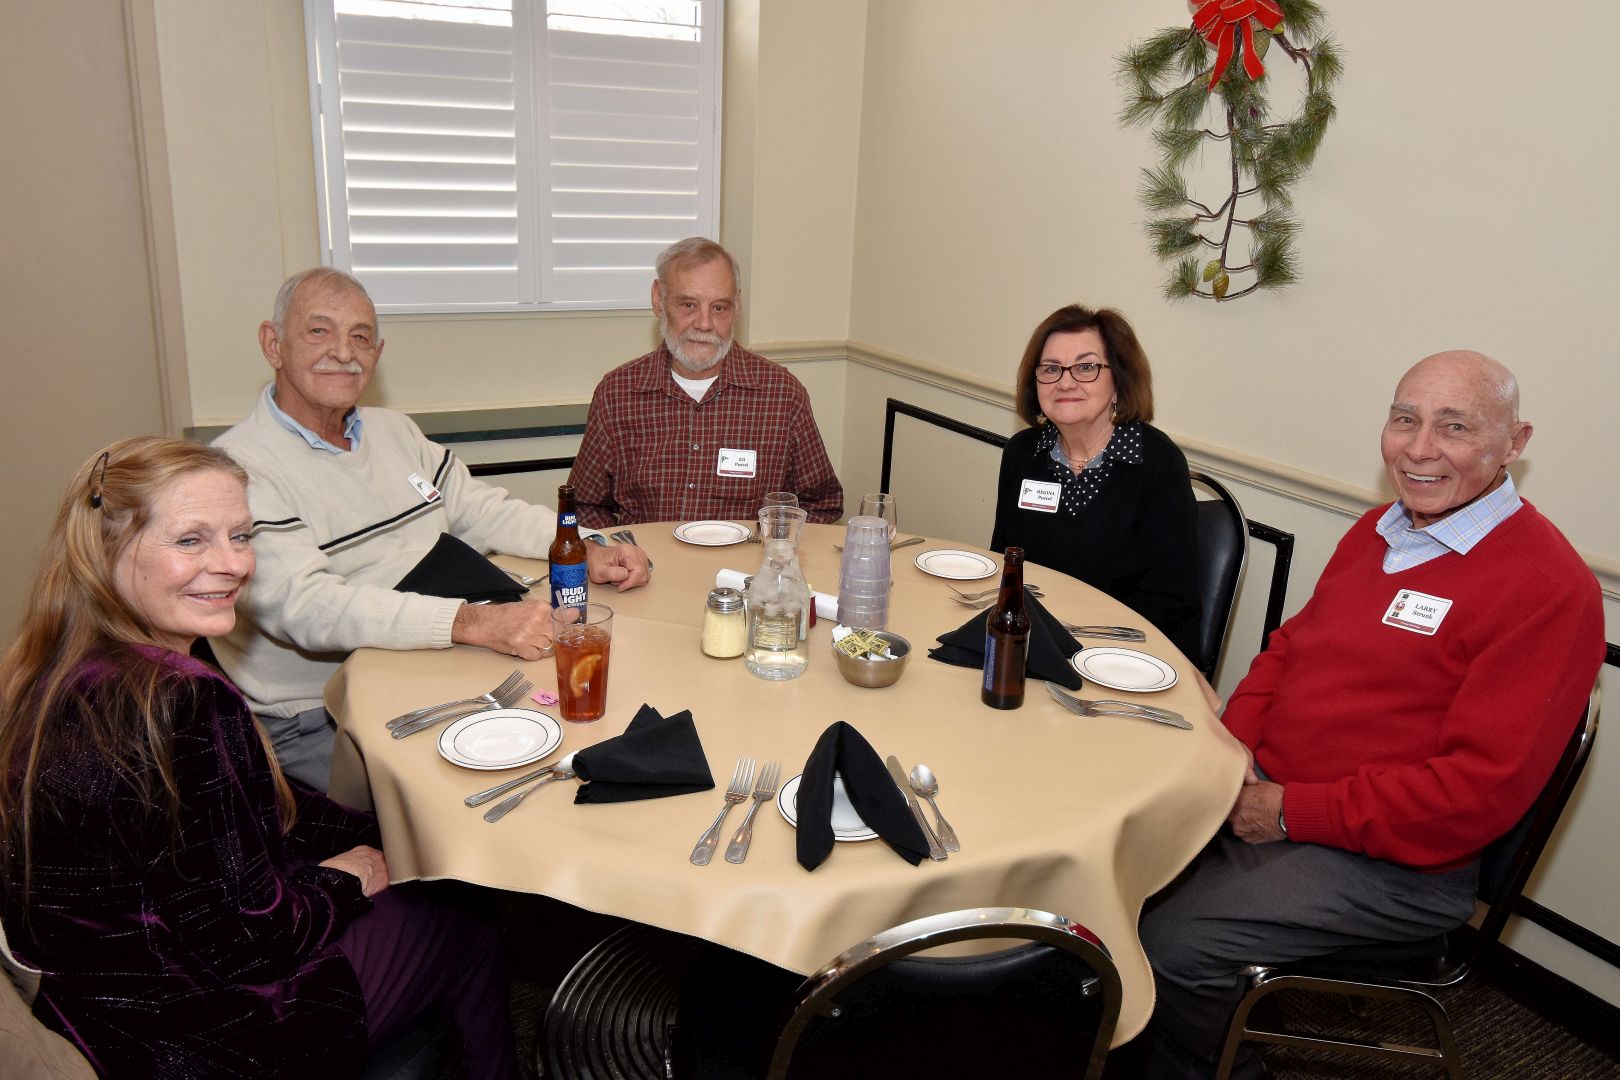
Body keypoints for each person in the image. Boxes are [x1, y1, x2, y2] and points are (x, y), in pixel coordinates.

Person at [1136, 351, 1605, 1080]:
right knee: (1111, 871)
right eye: (1404, 419)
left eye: (1455, 427)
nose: (1419, 448)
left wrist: (1286, 811)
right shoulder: (1381, 530)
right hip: (1271, 796)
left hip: (1395, 863)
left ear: (1514, 443)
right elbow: (1290, 649)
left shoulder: (1548, 589)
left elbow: (1471, 796)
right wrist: (1232, 752)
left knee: (1169, 947)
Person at [0, 438, 521, 1079]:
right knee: (461, 915)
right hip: (197, 1036)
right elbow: (251, 941)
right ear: (105, 549)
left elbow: (253, 814)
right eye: (190, 540)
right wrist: (349, 877)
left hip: (95, 1005)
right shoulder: (179, 697)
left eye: (241, 536)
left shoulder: (52, 665)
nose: (233, 565)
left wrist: (378, 836)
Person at [213, 267, 651, 790]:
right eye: (318, 331)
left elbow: (481, 509)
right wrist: (472, 622)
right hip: (323, 712)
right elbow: (308, 607)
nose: (343, 352)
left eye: (360, 337)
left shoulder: (393, 431)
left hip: (434, 661)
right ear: (273, 343)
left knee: (596, 735)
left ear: (378, 353)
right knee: (478, 793)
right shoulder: (236, 471)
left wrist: (586, 548)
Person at [570, 237, 844, 527]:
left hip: (748, 557)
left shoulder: (782, 395)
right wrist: (616, 549)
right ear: (658, 300)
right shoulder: (617, 394)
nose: (704, 323)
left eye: (719, 308)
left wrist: (774, 544)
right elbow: (584, 505)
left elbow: (822, 504)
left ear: (737, 307)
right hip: (646, 557)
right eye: (688, 304)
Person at [990, 304, 1199, 659]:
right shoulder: (1023, 453)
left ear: (1119, 381)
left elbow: (1169, 603)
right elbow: (1006, 565)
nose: (1065, 382)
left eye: (1086, 367)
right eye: (1051, 369)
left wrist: (1078, 646)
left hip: (1128, 653)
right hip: (1034, 645)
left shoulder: (1157, 464)